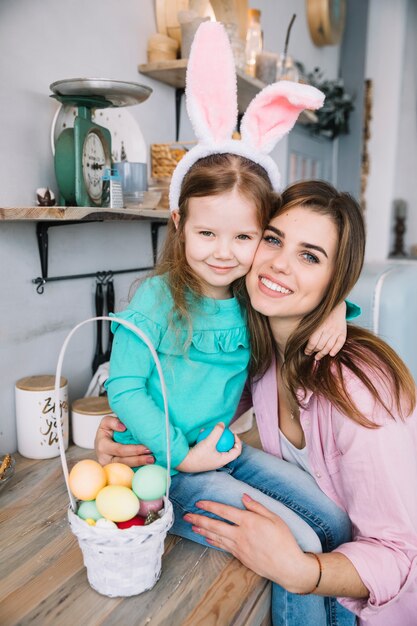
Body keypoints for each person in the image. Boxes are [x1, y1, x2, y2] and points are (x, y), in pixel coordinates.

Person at [99, 21, 359, 626]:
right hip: (172, 470)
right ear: (179, 224)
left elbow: (309, 297)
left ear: (262, 235)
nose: (224, 251)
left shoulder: (251, 295)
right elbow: (124, 386)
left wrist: (340, 315)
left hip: (224, 449)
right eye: (207, 233)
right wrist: (177, 456)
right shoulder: (159, 299)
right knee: (296, 543)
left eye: (244, 236)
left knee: (338, 523)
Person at [177, 180, 417, 626]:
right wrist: (132, 431)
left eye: (310, 256)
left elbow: (400, 557)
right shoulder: (264, 355)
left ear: (335, 281)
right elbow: (200, 411)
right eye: (272, 239)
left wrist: (299, 570)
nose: (279, 264)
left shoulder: (361, 389)